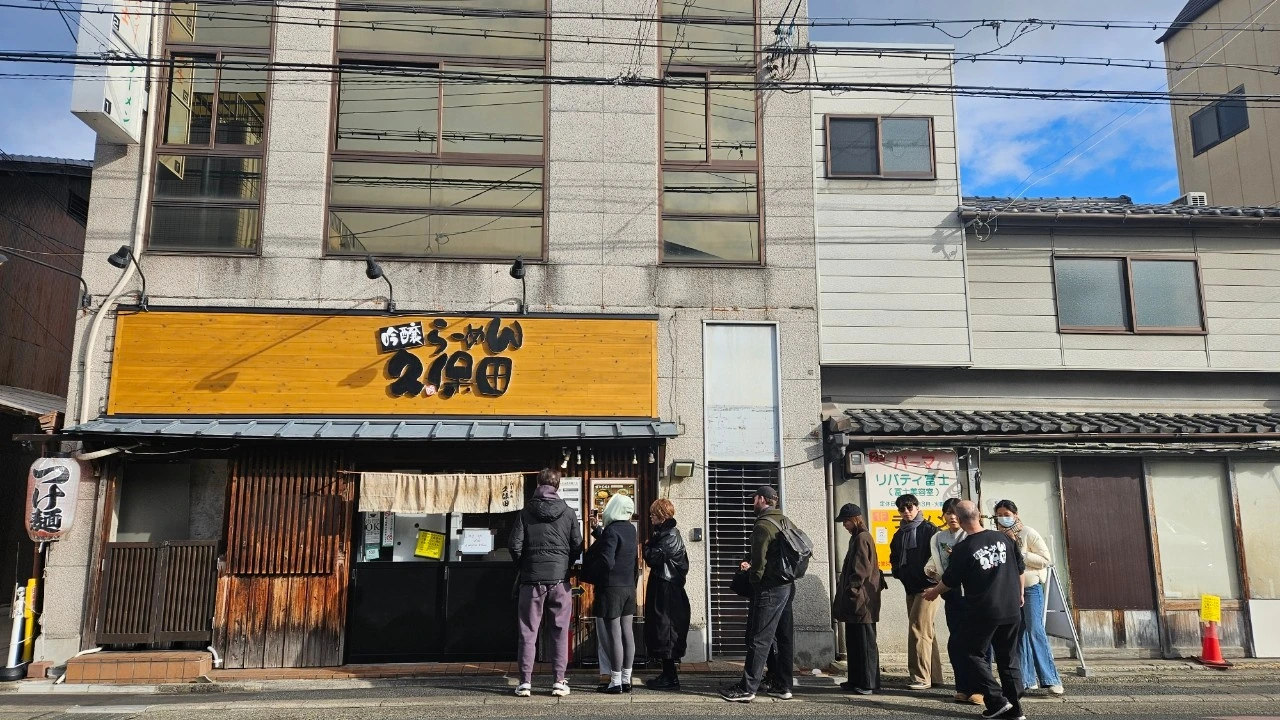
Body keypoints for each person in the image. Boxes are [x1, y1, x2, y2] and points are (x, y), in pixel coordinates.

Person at [923, 501, 1027, 720]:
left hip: (984, 610)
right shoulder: (1004, 538)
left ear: (960, 521)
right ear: (979, 515)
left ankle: (998, 700)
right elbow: (1020, 568)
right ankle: (1014, 710)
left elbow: (950, 580)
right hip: (1011, 608)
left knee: (968, 652)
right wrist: (1020, 594)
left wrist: (933, 592)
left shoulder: (964, 548)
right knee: (1008, 659)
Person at [508, 468, 583, 698]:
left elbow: (514, 545)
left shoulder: (525, 512)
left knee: (528, 632)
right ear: (557, 485)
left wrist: (526, 565)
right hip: (560, 581)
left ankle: (525, 683)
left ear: (538, 484)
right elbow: (577, 545)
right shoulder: (568, 512)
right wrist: (565, 564)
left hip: (531, 582)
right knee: (560, 631)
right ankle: (559, 681)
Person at [720, 486, 796, 703]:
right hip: (787, 585)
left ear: (762, 499)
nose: (752, 502)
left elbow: (759, 564)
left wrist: (752, 579)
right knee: (783, 638)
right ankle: (783, 685)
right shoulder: (785, 521)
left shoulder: (763, 525)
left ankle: (747, 688)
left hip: (769, 588)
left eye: (754, 498)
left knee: (759, 638)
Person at [994, 499, 1064, 697]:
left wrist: (1021, 553)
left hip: (1031, 588)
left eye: (1007, 514)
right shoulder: (997, 537)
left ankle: (1051, 679)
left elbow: (1046, 560)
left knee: (1035, 631)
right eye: (999, 515)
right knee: (1017, 634)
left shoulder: (1027, 533)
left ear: (1015, 515)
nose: (1003, 518)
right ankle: (1026, 680)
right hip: (1010, 591)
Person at [925, 497, 987, 706]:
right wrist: (930, 569)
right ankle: (962, 687)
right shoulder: (938, 537)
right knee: (957, 642)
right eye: (948, 513)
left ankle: (980, 689)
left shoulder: (971, 535)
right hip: (950, 593)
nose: (952, 517)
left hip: (972, 595)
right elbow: (935, 559)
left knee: (976, 643)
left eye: (955, 513)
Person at [584, 493, 639, 694]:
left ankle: (615, 682)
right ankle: (626, 679)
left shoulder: (611, 530)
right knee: (627, 633)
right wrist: (598, 531)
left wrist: (593, 572)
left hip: (611, 589)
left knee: (614, 635)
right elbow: (618, 545)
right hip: (628, 588)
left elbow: (607, 560)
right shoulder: (630, 530)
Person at [889, 493, 944, 690]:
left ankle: (920, 677)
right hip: (910, 587)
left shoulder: (930, 530)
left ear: (917, 507)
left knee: (917, 629)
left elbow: (938, 557)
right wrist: (898, 572)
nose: (906, 512)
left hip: (928, 587)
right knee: (926, 631)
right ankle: (935, 676)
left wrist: (934, 581)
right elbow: (894, 556)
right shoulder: (900, 534)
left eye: (909, 507)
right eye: (902, 509)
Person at [832, 503, 885, 695]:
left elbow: (861, 569)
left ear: (854, 519)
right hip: (857, 598)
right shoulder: (857, 537)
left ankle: (869, 683)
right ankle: (855, 680)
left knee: (865, 641)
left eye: (846, 521)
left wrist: (852, 589)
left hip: (863, 599)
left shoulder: (862, 537)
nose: (844, 525)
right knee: (854, 641)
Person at [643, 498, 691, 690]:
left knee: (666, 629)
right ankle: (667, 674)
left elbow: (653, 557)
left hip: (668, 590)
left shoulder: (670, 535)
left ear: (661, 515)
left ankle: (671, 678)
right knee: (663, 628)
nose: (650, 517)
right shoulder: (665, 534)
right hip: (665, 588)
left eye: (653, 514)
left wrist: (647, 547)